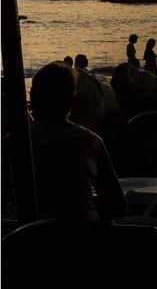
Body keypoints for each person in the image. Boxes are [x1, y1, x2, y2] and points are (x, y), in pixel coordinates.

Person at [28, 62, 126, 222]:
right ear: (73, 101)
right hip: (82, 240)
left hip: (26, 240)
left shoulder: (13, 143)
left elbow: (9, 197)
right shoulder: (90, 142)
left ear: (31, 98)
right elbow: (117, 206)